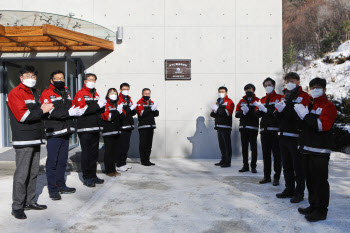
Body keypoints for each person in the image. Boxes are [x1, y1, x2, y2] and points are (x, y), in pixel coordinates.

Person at [7, 65, 54, 219]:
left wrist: (45, 112)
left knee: (33, 172)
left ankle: (30, 201)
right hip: (24, 139)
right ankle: (17, 206)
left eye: (33, 76)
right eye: (27, 75)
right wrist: (42, 110)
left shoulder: (35, 93)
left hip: (35, 138)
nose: (31, 79)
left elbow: (38, 115)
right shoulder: (16, 93)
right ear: (21, 77)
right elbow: (23, 116)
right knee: (22, 174)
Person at [295, 77, 337, 222]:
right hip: (306, 149)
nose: (315, 90)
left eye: (318, 87)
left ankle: (321, 211)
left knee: (320, 182)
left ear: (325, 89)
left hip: (320, 151)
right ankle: (313, 206)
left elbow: (321, 126)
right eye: (312, 87)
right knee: (310, 181)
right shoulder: (310, 104)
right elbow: (303, 126)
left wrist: (305, 115)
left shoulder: (328, 106)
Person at [40, 70, 82, 200]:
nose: (60, 80)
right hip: (54, 133)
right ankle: (53, 189)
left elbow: (71, 106)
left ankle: (61, 185)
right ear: (51, 80)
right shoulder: (46, 94)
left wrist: (72, 111)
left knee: (62, 161)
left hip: (65, 132)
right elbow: (52, 112)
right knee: (52, 162)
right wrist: (68, 112)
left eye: (62, 78)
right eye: (57, 78)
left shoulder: (66, 93)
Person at [274, 72, 311, 203]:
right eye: (288, 80)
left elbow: (300, 115)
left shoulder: (304, 96)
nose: (290, 82)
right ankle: (289, 188)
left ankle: (299, 192)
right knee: (287, 165)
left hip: (296, 136)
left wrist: (287, 107)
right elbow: (278, 116)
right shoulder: (284, 96)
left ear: (298, 82)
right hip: (283, 134)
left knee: (298, 166)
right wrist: (278, 111)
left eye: (293, 80)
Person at [73, 73, 106, 187]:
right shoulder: (80, 93)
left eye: (93, 79)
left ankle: (93, 175)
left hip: (95, 127)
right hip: (85, 128)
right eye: (89, 79)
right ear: (85, 81)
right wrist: (98, 105)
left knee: (94, 154)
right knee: (86, 154)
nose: (92, 81)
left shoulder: (95, 94)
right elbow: (82, 110)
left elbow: (98, 109)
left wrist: (102, 107)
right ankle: (86, 177)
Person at [255, 78, 283, 186]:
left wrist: (267, 110)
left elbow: (279, 113)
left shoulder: (280, 98)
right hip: (264, 130)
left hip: (275, 131)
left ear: (274, 85)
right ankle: (266, 177)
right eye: (266, 85)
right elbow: (257, 115)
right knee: (266, 155)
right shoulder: (262, 99)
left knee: (277, 155)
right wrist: (259, 109)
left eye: (270, 85)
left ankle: (276, 177)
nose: (268, 87)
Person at [235, 84, 260, 173]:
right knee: (244, 148)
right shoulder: (241, 101)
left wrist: (249, 111)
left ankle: (253, 166)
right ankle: (245, 166)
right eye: (246, 90)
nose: (248, 91)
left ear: (253, 90)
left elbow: (259, 113)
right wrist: (243, 113)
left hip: (253, 127)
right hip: (243, 127)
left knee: (253, 148)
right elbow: (236, 114)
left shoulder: (257, 100)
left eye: (249, 89)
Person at [101, 88, 125, 176]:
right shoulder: (105, 104)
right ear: (107, 94)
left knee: (114, 152)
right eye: (111, 92)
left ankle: (113, 169)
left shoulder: (117, 104)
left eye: (115, 93)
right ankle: (108, 170)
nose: (113, 94)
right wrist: (117, 111)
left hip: (117, 131)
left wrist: (121, 112)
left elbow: (122, 118)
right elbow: (108, 117)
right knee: (109, 152)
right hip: (109, 131)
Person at [210, 86, 235, 167]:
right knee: (221, 145)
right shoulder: (218, 102)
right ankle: (223, 160)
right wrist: (213, 112)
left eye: (223, 91)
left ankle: (228, 162)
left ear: (226, 93)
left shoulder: (229, 101)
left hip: (226, 126)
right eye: (220, 91)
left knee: (227, 144)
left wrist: (218, 109)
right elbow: (215, 113)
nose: (221, 93)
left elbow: (228, 113)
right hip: (218, 125)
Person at [116, 83, 137, 172]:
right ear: (120, 90)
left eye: (127, 89)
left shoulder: (129, 99)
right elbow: (121, 114)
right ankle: (119, 164)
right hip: (122, 125)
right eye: (124, 89)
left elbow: (131, 113)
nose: (126, 90)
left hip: (129, 125)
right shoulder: (118, 99)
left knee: (126, 146)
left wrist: (133, 109)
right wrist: (129, 109)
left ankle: (123, 162)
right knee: (122, 146)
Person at [135, 88, 159, 166]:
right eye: (146, 93)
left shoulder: (151, 102)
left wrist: (155, 110)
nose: (147, 95)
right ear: (142, 94)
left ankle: (147, 160)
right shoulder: (139, 102)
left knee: (149, 144)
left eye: (148, 93)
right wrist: (150, 109)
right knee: (143, 144)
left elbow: (155, 114)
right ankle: (143, 160)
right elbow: (141, 113)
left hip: (151, 125)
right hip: (143, 126)